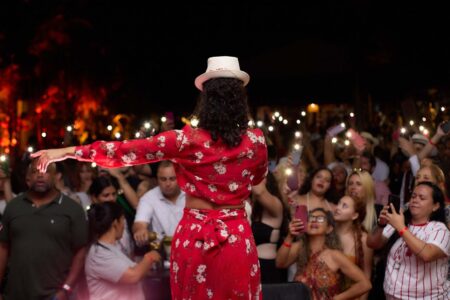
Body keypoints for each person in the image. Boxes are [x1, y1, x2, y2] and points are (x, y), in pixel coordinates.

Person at [31, 56, 268, 299]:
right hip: (236, 236)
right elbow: (257, 178)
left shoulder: (185, 140)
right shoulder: (257, 142)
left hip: (195, 236)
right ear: (240, 100)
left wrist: (69, 151)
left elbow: (126, 151)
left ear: (206, 99)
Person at [0, 160, 88, 300]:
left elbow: (81, 252)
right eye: (35, 172)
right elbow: (3, 248)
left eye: (46, 171)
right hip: (15, 294)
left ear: (56, 176)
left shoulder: (72, 209)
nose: (40, 176)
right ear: (28, 178)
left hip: (53, 295)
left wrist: (66, 290)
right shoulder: (13, 207)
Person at [367, 182, 450, 299]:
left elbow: (427, 254)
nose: (415, 200)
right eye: (413, 196)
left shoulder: (440, 229)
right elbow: (372, 244)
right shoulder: (400, 221)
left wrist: (401, 228)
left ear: (435, 206)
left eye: (422, 198)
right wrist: (381, 224)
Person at [275, 208, 372, 299]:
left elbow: (365, 284)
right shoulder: (299, 248)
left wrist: (337, 299)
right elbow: (279, 263)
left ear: (329, 228)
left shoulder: (334, 255)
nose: (314, 221)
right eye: (310, 218)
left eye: (320, 219)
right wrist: (290, 236)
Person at [85, 201, 161, 300]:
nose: (124, 226)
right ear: (116, 223)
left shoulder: (110, 248)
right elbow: (133, 276)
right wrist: (149, 257)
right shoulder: (99, 255)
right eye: (123, 220)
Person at [133, 160, 186, 245]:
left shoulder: (190, 194)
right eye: (163, 179)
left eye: (172, 179)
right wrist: (140, 230)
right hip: (164, 252)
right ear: (157, 179)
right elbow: (140, 222)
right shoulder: (148, 198)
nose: (168, 183)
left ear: (179, 177)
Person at [251, 171, 289, 284]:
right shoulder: (249, 206)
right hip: (248, 265)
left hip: (266, 269)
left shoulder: (276, 205)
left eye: (260, 178)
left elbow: (259, 191)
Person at [334, 195, 373, 299]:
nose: (338, 208)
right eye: (338, 203)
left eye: (344, 206)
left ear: (355, 215)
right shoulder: (328, 233)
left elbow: (366, 274)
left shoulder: (363, 239)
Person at [88, 175, 134, 258]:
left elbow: (129, 245)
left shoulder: (121, 215)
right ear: (94, 198)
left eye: (114, 194)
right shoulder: (92, 221)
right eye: (106, 195)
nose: (112, 198)